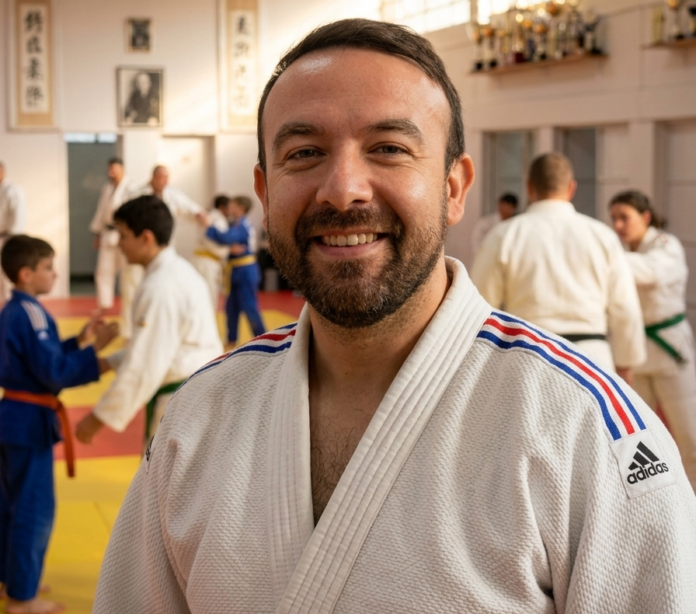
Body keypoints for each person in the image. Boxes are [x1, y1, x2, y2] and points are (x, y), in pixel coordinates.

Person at [94, 19, 696, 614]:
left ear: (454, 187)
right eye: (304, 153)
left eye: (389, 148)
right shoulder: (196, 419)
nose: (343, 189)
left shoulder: (585, 432)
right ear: (265, 190)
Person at [0, 235, 117, 614]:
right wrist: (97, 357)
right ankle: (22, 597)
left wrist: (81, 342)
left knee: (10, 505)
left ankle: (12, 579)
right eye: (48, 267)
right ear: (26, 273)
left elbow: (40, 357)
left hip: (13, 418)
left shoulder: (14, 310)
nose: (54, 274)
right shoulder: (31, 312)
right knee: (32, 510)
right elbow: (52, 372)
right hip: (28, 423)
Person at [471, 152, 646, 381]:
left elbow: (481, 306)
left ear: (529, 187)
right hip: (593, 360)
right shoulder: (602, 236)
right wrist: (626, 364)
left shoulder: (504, 235)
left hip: (528, 357)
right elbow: (625, 308)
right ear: (571, 188)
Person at [75, 196, 223, 448]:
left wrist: (97, 418)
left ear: (145, 238)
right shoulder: (177, 271)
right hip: (196, 390)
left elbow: (146, 363)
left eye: (123, 236)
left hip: (182, 398)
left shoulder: (160, 287)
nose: (119, 244)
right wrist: (109, 362)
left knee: (168, 472)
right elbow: (161, 345)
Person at [610, 189, 696, 492]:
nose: (618, 225)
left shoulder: (665, 245)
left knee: (690, 435)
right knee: (640, 437)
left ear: (646, 217)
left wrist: (604, 255)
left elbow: (651, 273)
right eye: (614, 219)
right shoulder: (619, 251)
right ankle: (656, 500)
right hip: (635, 353)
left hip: (670, 349)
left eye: (625, 217)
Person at [201, 195, 265, 348]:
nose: (230, 208)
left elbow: (226, 238)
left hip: (246, 271)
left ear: (241, 209)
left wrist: (208, 226)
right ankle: (231, 340)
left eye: (233, 206)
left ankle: (264, 339)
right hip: (235, 271)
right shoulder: (234, 224)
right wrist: (230, 248)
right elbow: (228, 241)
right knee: (231, 308)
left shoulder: (243, 225)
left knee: (249, 307)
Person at [89, 157, 140, 339]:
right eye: (109, 169)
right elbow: (101, 212)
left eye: (114, 169)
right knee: (103, 272)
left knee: (129, 278)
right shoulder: (107, 188)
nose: (111, 172)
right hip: (108, 233)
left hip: (125, 236)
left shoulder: (132, 188)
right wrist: (97, 233)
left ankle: (129, 323)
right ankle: (104, 305)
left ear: (122, 169)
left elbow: (135, 215)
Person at [192, 195, 233, 310]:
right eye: (229, 208)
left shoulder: (209, 216)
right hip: (208, 263)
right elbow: (214, 241)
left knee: (200, 296)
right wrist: (229, 249)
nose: (231, 211)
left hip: (203, 261)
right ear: (222, 207)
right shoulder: (218, 219)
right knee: (209, 297)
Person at [0, 162, 27, 304]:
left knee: (6, 273)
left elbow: (18, 215)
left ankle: (9, 304)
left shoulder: (12, 189)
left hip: (8, 237)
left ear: (2, 171)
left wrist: (14, 238)